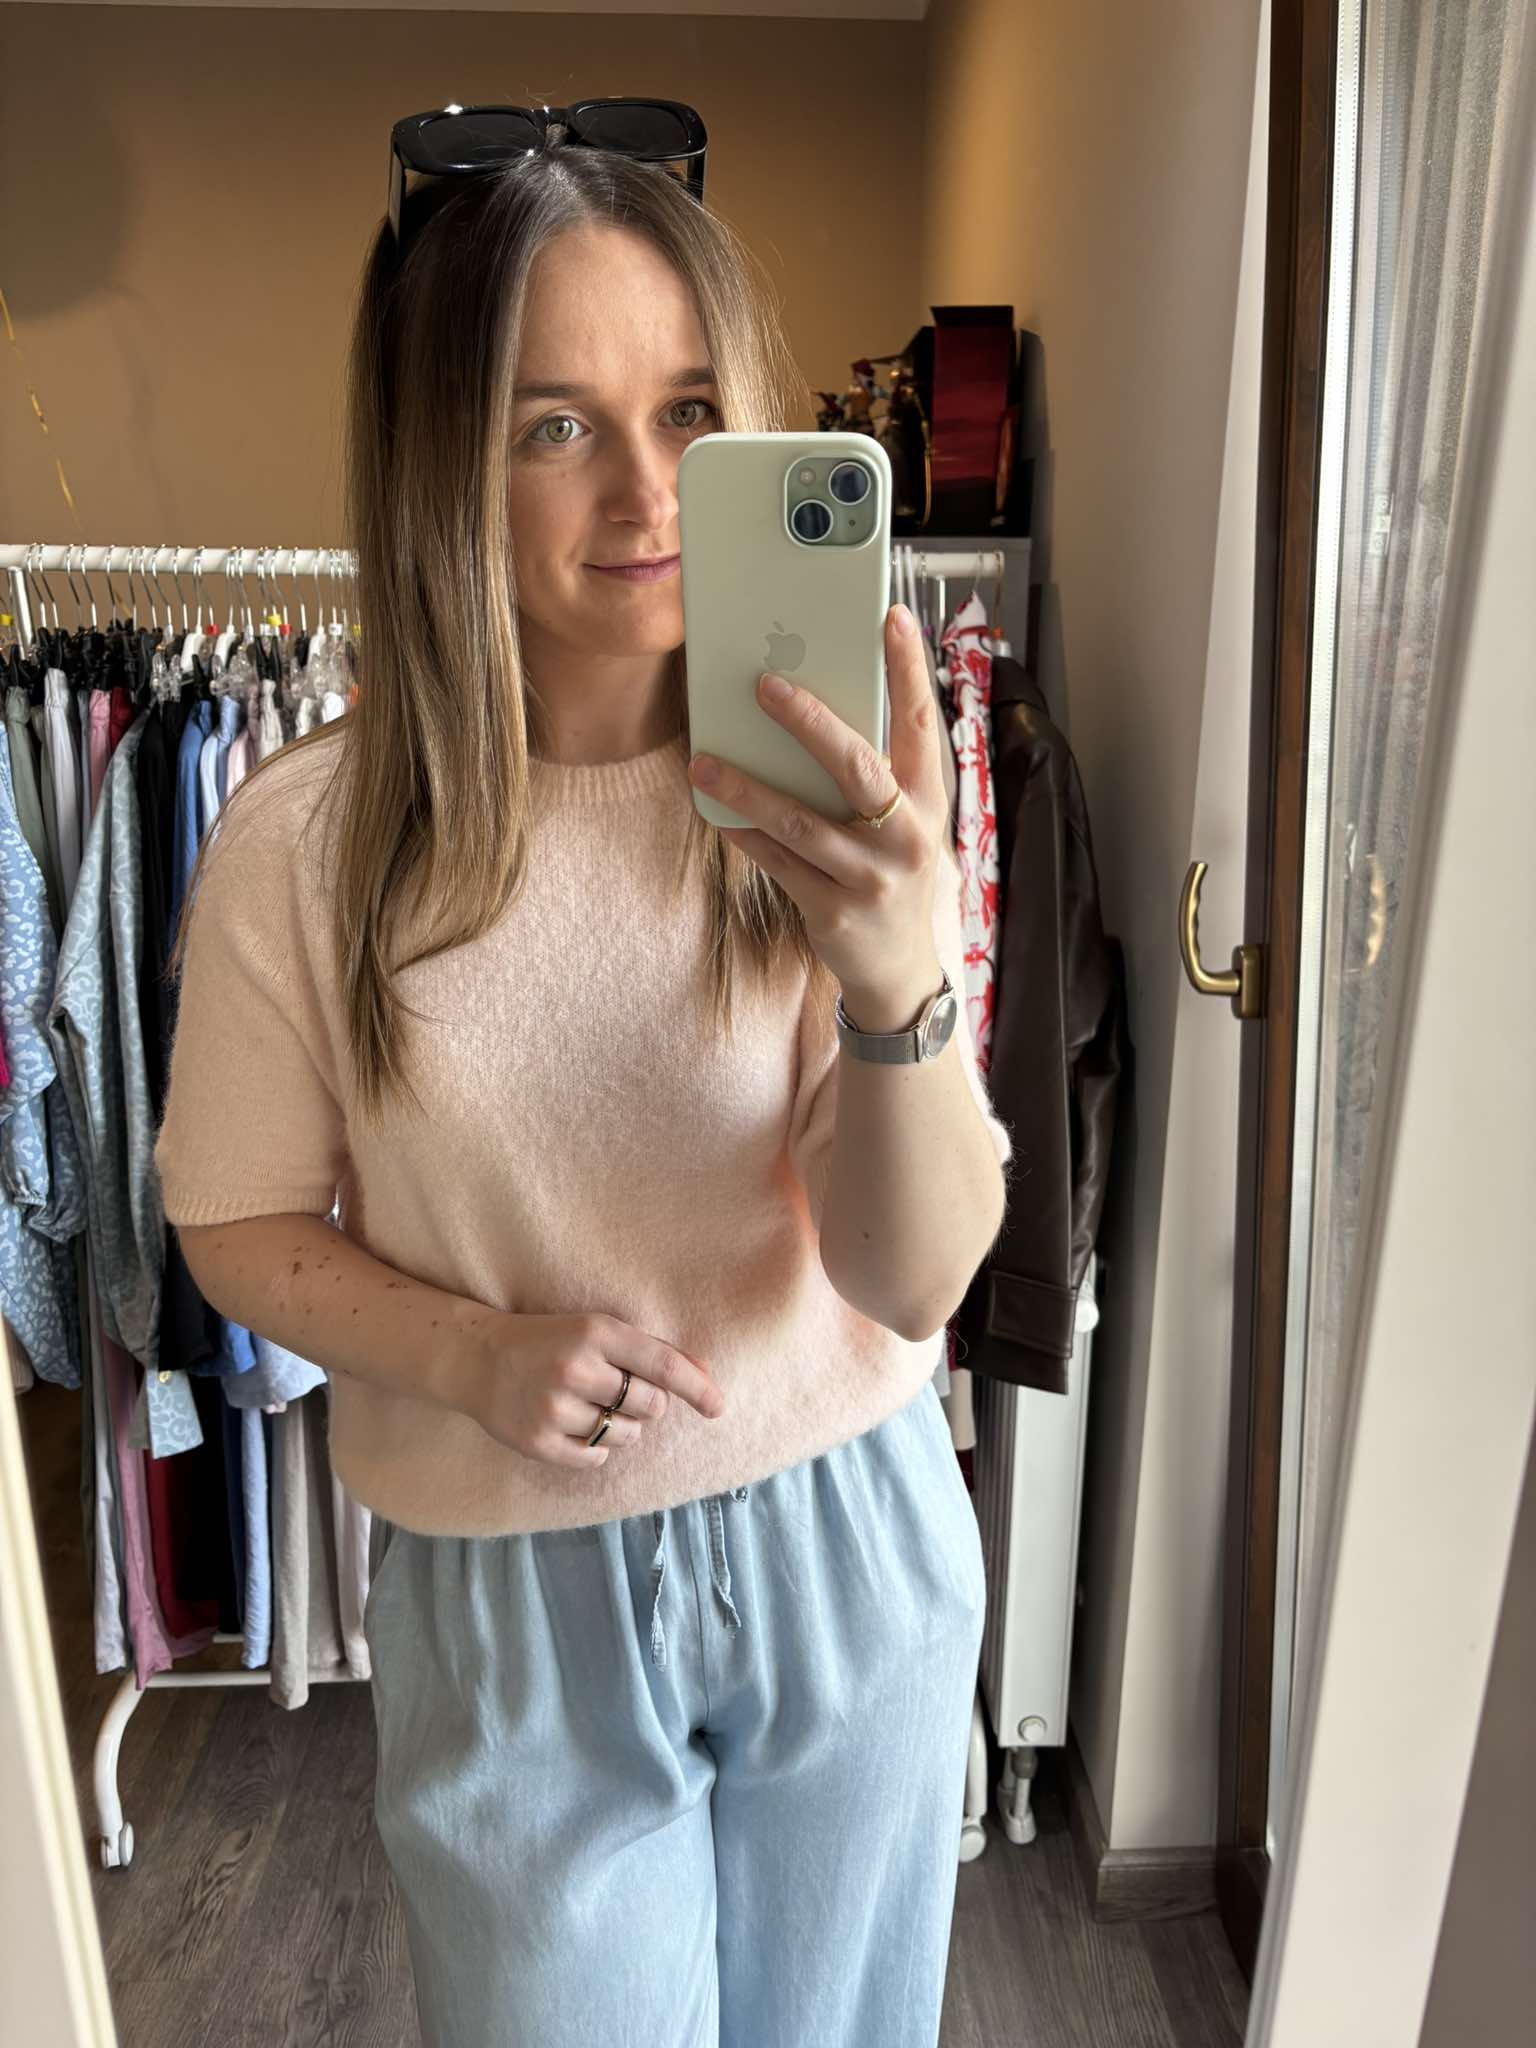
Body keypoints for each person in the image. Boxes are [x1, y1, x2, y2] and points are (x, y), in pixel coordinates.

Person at [153, 105, 1014, 2048]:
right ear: (441, 461)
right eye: (554, 424)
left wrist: (898, 973)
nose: (645, 490)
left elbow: (911, 1278)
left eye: (691, 410)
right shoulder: (307, 844)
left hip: (846, 1535)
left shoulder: (836, 790)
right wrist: (468, 1352)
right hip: (509, 1594)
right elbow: (233, 1217)